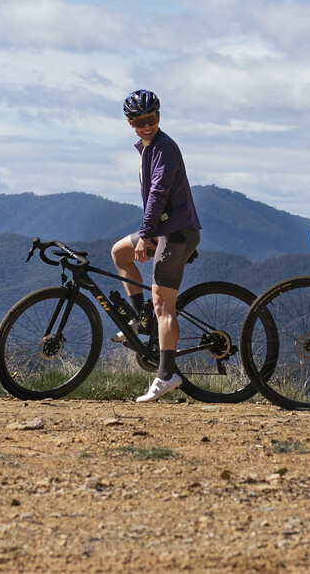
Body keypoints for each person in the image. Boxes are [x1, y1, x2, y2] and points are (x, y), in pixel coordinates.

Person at [109, 89, 201, 403]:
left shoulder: (164, 148)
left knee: (165, 307)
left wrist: (146, 235)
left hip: (176, 234)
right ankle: (140, 318)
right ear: (129, 122)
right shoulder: (148, 147)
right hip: (164, 231)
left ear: (159, 117)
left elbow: (158, 192)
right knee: (120, 253)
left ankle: (167, 374)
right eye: (138, 121)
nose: (146, 125)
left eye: (151, 119)